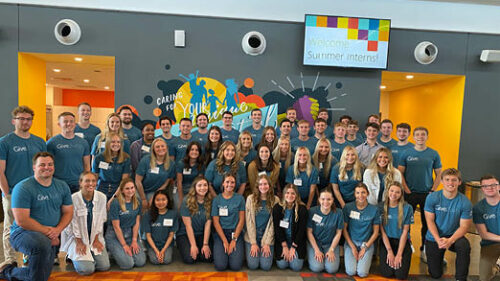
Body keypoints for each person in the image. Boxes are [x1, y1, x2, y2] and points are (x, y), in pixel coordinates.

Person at [1, 152, 73, 281]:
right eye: (42, 165)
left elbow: (68, 212)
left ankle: (8, 272)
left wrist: (57, 231)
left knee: (41, 276)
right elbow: (22, 220)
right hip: (22, 233)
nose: (47, 167)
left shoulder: (62, 186)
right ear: (34, 167)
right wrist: (49, 233)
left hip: (51, 235)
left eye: (50, 164)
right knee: (42, 244)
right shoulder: (23, 187)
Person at [0, 106, 46, 268]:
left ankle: (29, 257)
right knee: (10, 227)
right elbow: (0, 171)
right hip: (12, 193)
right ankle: (10, 259)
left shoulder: (39, 142)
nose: (25, 122)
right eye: (21, 119)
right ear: (14, 121)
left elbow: (44, 168)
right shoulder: (5, 142)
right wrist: (7, 195)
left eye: (28, 119)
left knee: (32, 227)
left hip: (34, 194)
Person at [398, 126, 442, 258]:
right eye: (417, 134)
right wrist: (406, 189)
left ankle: (425, 249)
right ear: (413, 137)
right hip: (409, 193)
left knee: (427, 223)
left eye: (423, 134)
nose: (420, 137)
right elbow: (400, 173)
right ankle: (406, 247)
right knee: (406, 222)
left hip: (427, 194)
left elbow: (439, 174)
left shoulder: (434, 154)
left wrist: (433, 190)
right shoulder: (406, 153)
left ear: (427, 137)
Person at [424, 168, 471, 281]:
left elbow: (464, 226)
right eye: (447, 179)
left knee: (464, 246)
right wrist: (438, 239)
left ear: (459, 182)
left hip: (454, 237)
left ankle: (460, 278)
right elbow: (429, 221)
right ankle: (439, 256)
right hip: (434, 238)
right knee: (435, 274)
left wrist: (450, 240)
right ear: (441, 181)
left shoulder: (465, 202)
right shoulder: (432, 198)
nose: (450, 183)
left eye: (454, 180)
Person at [60, 172, 110, 275]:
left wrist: (96, 239)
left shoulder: (102, 197)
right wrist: (79, 242)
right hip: (76, 238)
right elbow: (70, 224)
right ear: (80, 183)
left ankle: (89, 256)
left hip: (94, 236)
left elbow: (101, 219)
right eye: (87, 181)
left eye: (93, 181)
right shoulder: (72, 199)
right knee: (87, 270)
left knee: (104, 266)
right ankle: (81, 260)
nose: (90, 184)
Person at [105, 178, 146, 269]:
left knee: (140, 262)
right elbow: (116, 227)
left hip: (130, 233)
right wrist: (124, 245)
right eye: (127, 188)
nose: (130, 191)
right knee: (128, 264)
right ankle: (113, 250)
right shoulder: (116, 203)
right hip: (115, 235)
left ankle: (123, 253)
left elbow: (137, 222)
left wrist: (134, 240)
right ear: (122, 190)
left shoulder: (137, 201)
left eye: (132, 188)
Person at [343, 183, 380, 278]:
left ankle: (365, 259)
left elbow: (376, 232)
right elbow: (344, 229)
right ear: (354, 194)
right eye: (358, 193)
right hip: (351, 243)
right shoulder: (348, 207)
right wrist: (353, 247)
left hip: (366, 243)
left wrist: (365, 248)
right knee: (351, 272)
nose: (360, 196)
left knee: (362, 273)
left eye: (363, 192)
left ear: (367, 193)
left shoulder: (374, 209)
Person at [47, 112, 91, 193]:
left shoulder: (83, 143)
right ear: (59, 124)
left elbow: (87, 165)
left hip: (78, 184)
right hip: (58, 184)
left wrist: (86, 181)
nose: (69, 124)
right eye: (65, 121)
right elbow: (48, 165)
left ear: (75, 124)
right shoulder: (51, 143)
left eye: (71, 121)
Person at [379, 182, 413, 280]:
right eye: (392, 191)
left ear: (401, 194)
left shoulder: (407, 208)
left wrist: (399, 254)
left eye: (397, 192)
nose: (394, 194)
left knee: (400, 275)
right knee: (387, 273)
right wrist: (389, 251)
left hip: (402, 241)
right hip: (387, 241)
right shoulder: (380, 207)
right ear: (387, 192)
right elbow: (382, 232)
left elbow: (405, 232)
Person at [211, 174, 246, 271]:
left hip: (235, 233)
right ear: (223, 183)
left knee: (236, 266)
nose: (229, 184)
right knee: (220, 266)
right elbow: (216, 222)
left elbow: (241, 220)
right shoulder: (216, 200)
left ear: (235, 184)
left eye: (232, 182)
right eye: (227, 182)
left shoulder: (240, 199)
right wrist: (225, 241)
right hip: (220, 233)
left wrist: (234, 240)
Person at [244, 175, 279, 271]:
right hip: (252, 235)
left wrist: (267, 243)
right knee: (253, 265)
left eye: (265, 184)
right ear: (257, 186)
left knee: (266, 266)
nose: (263, 187)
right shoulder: (250, 199)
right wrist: (253, 243)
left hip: (267, 235)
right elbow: (249, 221)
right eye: (260, 184)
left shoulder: (275, 200)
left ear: (270, 185)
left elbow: (273, 223)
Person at [177, 176, 213, 264]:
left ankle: (199, 248)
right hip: (185, 234)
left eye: (205, 185)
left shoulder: (210, 201)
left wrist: (205, 244)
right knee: (190, 259)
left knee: (207, 258)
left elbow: (208, 224)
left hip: (201, 234)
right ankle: (187, 246)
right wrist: (193, 245)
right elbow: (188, 226)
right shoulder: (187, 201)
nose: (203, 188)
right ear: (194, 187)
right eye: (199, 185)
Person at [307, 189, 343, 274]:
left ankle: (326, 257)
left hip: (330, 244)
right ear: (319, 200)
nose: (325, 202)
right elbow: (309, 232)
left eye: (329, 199)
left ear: (333, 200)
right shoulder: (312, 211)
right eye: (323, 199)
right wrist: (316, 250)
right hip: (316, 243)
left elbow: (339, 233)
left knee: (332, 269)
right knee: (317, 268)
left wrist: (331, 249)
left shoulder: (338, 213)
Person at [272, 184, 308, 271]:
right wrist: (284, 246)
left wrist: (293, 247)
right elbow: (277, 229)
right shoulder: (277, 208)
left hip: (296, 243)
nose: (290, 196)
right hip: (282, 242)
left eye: (293, 193)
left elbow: (301, 230)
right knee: (282, 265)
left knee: (296, 267)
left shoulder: (302, 209)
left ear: (296, 195)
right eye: (287, 193)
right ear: (284, 194)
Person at [135, 138, 176, 210]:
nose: (160, 148)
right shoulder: (146, 160)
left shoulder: (171, 163)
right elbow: (138, 181)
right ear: (153, 149)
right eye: (157, 147)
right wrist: (143, 199)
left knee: (153, 204)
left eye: (162, 146)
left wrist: (155, 195)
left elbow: (167, 182)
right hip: (141, 190)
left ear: (166, 148)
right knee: (142, 206)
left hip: (155, 191)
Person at [473, 174, 500, 281]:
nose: (490, 188)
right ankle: (495, 267)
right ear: (482, 189)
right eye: (485, 186)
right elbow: (484, 234)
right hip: (490, 244)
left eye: (493, 185)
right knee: (484, 278)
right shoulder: (478, 208)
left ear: (499, 186)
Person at [143, 189, 178, 265]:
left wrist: (163, 250)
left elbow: (171, 235)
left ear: (168, 200)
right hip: (152, 244)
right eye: (158, 200)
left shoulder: (173, 214)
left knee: (166, 260)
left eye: (163, 199)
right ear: (154, 201)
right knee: (155, 261)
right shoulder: (147, 215)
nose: (161, 202)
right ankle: (150, 252)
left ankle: (164, 252)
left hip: (166, 244)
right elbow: (148, 236)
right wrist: (156, 251)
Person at [92, 133, 130, 201]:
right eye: (113, 142)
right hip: (101, 188)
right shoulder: (99, 158)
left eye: (118, 142)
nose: (116, 144)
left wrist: (114, 198)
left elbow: (124, 181)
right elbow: (94, 178)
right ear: (108, 143)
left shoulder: (126, 158)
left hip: (118, 190)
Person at [175, 141, 205, 207]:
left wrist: (193, 195)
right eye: (192, 149)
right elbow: (179, 183)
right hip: (182, 189)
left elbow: (199, 182)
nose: (194, 152)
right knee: (180, 207)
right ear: (188, 151)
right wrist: (181, 199)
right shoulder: (181, 163)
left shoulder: (201, 165)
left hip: (194, 190)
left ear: (199, 152)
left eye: (196, 150)